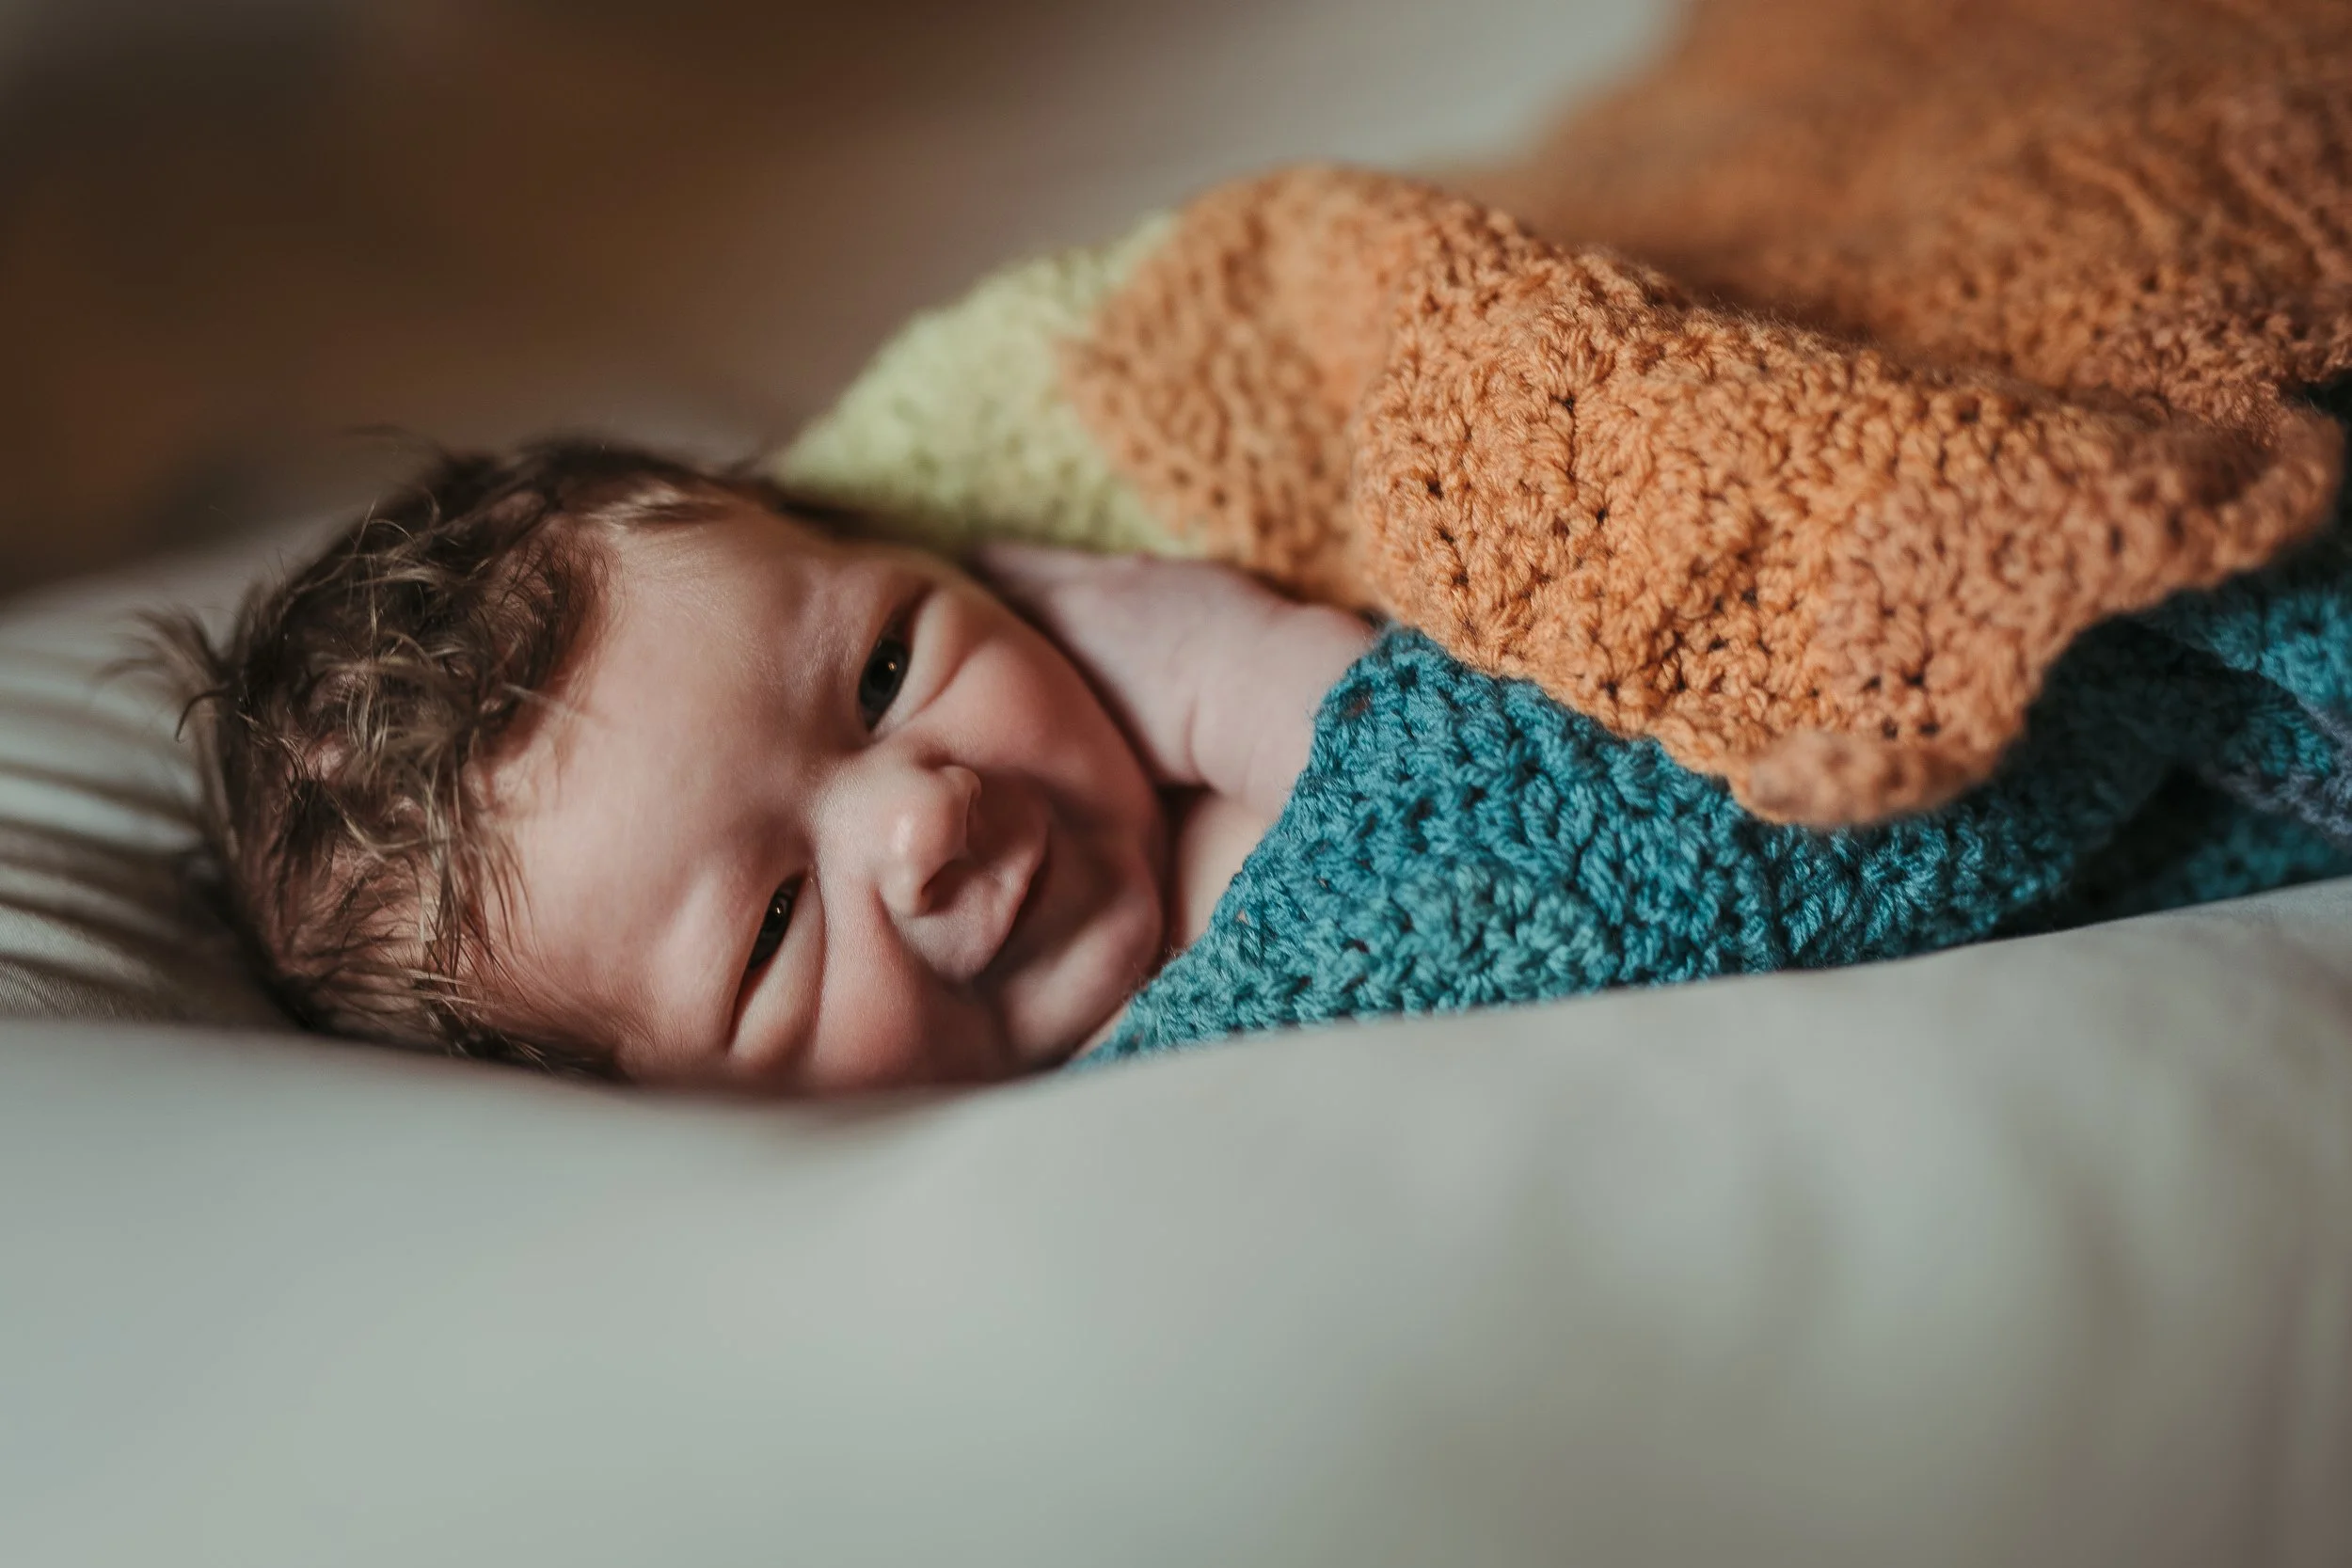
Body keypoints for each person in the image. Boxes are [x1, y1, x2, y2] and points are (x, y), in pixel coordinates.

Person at [159, 438, 1371, 1094]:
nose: (919, 821)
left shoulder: (1230, 761)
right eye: (775, 925)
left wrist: (1239, 670)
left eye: (886, 672)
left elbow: (1533, 772)